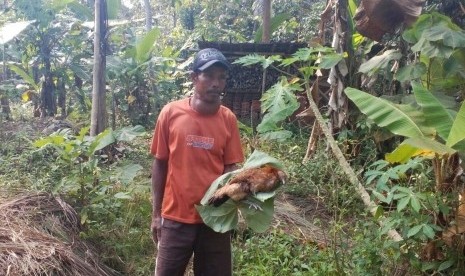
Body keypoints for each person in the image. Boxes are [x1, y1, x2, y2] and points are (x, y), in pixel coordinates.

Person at [150, 48, 244, 276]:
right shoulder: (171, 113)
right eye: (209, 76)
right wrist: (156, 215)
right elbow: (160, 164)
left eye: (221, 77)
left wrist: (235, 202)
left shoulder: (228, 119)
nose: (216, 83)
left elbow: (230, 168)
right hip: (175, 218)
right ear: (194, 78)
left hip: (214, 219)